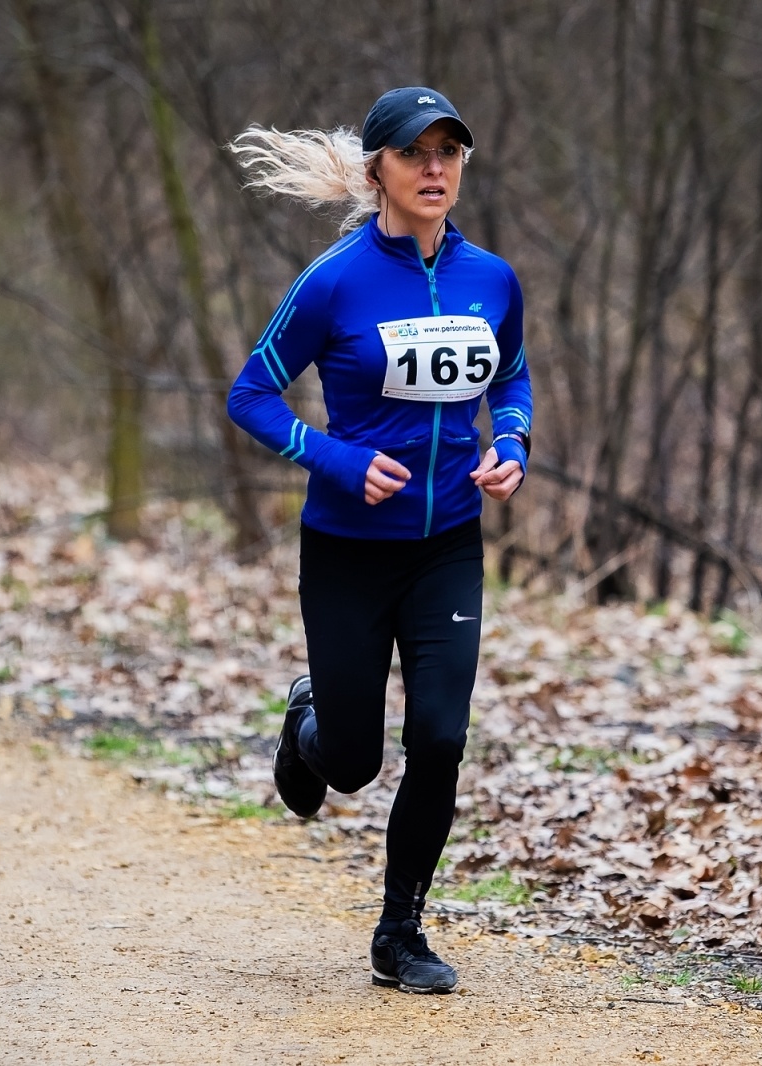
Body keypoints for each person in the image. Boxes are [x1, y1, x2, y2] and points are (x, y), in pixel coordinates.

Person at [227, 87, 533, 994]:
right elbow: (250, 395)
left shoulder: (493, 280)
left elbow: (510, 380)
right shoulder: (334, 281)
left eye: (450, 152)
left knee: (440, 738)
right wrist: (334, 460)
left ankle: (401, 933)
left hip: (447, 544)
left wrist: (510, 444)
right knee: (354, 763)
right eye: (416, 154)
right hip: (349, 552)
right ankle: (308, 717)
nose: (436, 169)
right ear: (379, 172)